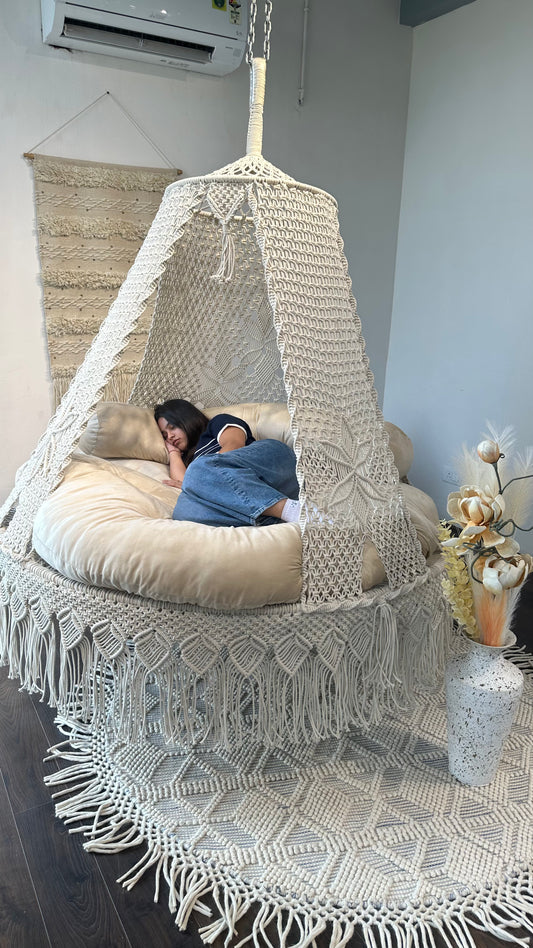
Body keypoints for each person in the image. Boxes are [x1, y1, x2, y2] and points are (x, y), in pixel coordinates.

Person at [154, 399, 301, 527]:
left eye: (172, 427)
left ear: (185, 418)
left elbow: (234, 444)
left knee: (198, 471)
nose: (170, 436)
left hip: (271, 464)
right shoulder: (192, 461)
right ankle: (279, 516)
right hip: (253, 494)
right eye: (165, 435)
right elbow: (183, 482)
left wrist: (205, 477)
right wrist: (173, 452)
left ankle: (289, 510)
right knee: (183, 511)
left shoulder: (216, 423)